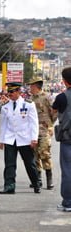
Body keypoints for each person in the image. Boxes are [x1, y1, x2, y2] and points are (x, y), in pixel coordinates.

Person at [0, 82, 41, 194]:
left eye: (12, 92)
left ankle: (36, 183)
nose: (10, 94)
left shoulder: (28, 104)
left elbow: (34, 122)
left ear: (18, 92)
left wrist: (34, 138)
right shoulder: (5, 107)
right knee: (9, 164)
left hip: (24, 138)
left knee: (29, 163)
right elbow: (3, 125)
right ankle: (9, 186)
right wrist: (1, 140)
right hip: (10, 138)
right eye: (9, 92)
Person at [27, 77, 57, 190]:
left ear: (36, 86)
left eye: (31, 86)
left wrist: (49, 124)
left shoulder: (47, 98)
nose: (30, 88)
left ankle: (49, 179)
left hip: (44, 131)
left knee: (44, 153)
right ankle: (37, 179)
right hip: (33, 131)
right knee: (35, 155)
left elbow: (54, 112)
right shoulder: (30, 99)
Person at [52, 67, 71, 212]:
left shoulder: (61, 97)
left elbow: (53, 112)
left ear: (64, 81)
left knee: (67, 171)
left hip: (67, 139)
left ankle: (68, 202)